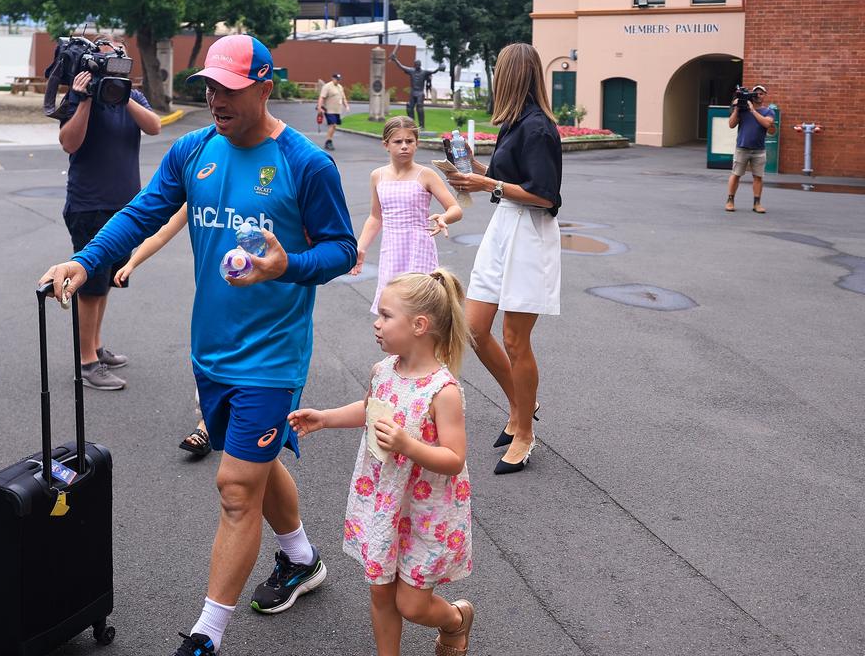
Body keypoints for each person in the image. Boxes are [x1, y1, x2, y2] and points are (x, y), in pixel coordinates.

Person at [38, 34, 357, 656]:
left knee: (236, 488)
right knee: (256, 466)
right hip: (210, 351)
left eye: (230, 89)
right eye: (209, 86)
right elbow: (140, 213)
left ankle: (206, 637)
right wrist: (85, 259)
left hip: (272, 354)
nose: (216, 98)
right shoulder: (194, 152)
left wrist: (285, 266)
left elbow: (342, 249)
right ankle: (302, 559)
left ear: (265, 85)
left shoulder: (306, 164)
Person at [288, 269, 476, 656]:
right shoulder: (383, 371)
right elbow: (370, 410)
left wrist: (409, 444)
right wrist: (326, 417)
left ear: (419, 325)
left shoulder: (444, 391)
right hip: (383, 501)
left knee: (412, 604)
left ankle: (456, 620)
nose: (376, 323)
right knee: (380, 592)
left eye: (386, 316)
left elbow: (454, 458)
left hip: (425, 511)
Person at [445, 42, 561, 475]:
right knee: (474, 330)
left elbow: (546, 194)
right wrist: (474, 168)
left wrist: (486, 185)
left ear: (511, 75)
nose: (495, 77)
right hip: (504, 230)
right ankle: (520, 406)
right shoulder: (515, 124)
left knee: (515, 338)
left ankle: (525, 432)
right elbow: (508, 180)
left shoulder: (538, 128)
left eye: (498, 70)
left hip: (529, 235)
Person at [57, 38, 163, 390]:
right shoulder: (79, 95)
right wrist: (86, 99)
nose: (113, 65)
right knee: (90, 286)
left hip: (126, 209)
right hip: (89, 205)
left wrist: (124, 92)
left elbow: (154, 126)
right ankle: (86, 362)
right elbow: (69, 142)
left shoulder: (131, 97)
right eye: (107, 61)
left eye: (119, 60)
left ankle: (96, 346)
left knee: (106, 285)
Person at [112, 205, 212, 457]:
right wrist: (132, 261)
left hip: (261, 297)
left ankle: (230, 418)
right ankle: (208, 422)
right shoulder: (203, 190)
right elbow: (162, 232)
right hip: (214, 301)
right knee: (209, 359)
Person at [351, 116, 463, 314]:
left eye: (409, 141)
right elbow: (376, 217)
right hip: (391, 250)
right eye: (398, 141)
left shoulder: (426, 174)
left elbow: (455, 209)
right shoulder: (378, 175)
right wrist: (361, 247)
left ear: (417, 144)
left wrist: (443, 218)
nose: (404, 146)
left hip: (419, 248)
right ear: (386, 145)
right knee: (393, 309)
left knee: (419, 307)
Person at [726, 84, 775, 213]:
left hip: (759, 149)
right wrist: (737, 109)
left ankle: (757, 203)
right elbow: (731, 125)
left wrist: (753, 110)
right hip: (742, 147)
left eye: (761, 93)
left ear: (765, 96)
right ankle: (730, 201)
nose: (758, 95)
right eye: (756, 93)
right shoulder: (742, 109)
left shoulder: (768, 111)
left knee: (758, 177)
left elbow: (767, 123)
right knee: (736, 174)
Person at [390, 47, 441, 130]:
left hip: (420, 93)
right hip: (413, 92)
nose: (417, 66)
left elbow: (433, 71)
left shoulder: (424, 72)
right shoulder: (411, 71)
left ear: (420, 65)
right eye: (416, 64)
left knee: (420, 108)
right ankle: (411, 124)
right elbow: (402, 67)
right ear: (414, 65)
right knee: (409, 107)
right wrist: (395, 60)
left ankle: (422, 125)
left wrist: (439, 68)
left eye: (418, 64)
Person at [317, 72, 349, 150]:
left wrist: (346, 105)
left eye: (339, 79)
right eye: (336, 79)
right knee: (333, 125)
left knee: (334, 126)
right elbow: (322, 97)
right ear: (333, 78)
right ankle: (328, 141)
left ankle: (329, 140)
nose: (338, 81)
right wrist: (319, 107)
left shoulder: (340, 87)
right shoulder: (327, 86)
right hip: (329, 110)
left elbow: (343, 97)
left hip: (337, 110)